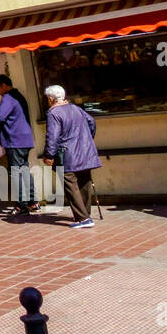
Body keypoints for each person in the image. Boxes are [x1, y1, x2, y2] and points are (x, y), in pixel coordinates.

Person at [41, 85, 100, 228]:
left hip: (68, 154)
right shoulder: (75, 108)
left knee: (70, 184)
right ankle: (85, 214)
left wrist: (49, 154)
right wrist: (87, 139)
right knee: (84, 182)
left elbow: (52, 137)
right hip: (85, 151)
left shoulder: (53, 113)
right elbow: (91, 121)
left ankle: (83, 218)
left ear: (50, 99)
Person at [0, 74, 38, 215]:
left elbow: (0, 116)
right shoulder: (18, 96)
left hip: (15, 140)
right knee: (24, 170)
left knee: (16, 173)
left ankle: (21, 205)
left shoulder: (8, 97)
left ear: (4, 85)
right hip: (24, 140)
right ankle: (32, 202)